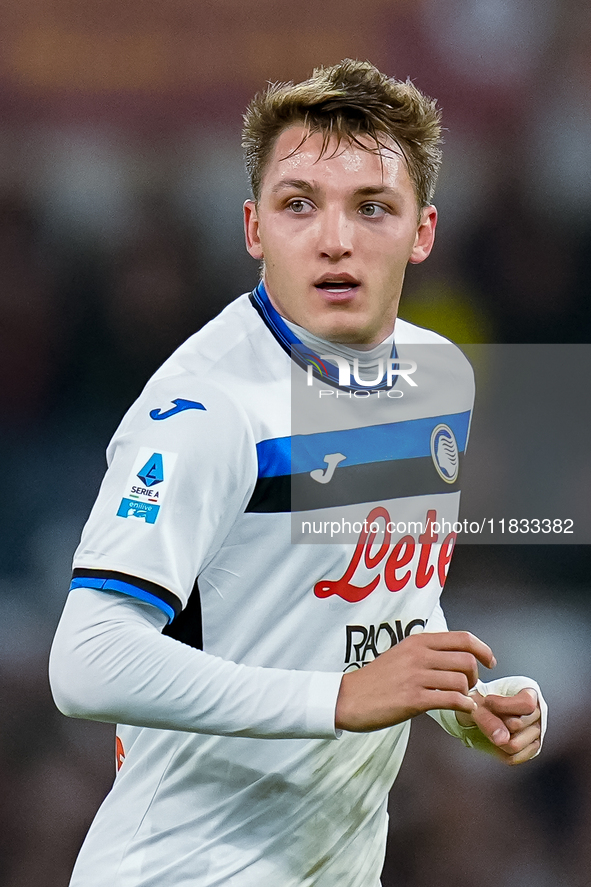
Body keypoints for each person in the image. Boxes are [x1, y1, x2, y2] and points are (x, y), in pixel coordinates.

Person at [49, 60, 546, 887]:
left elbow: (375, 606)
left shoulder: (436, 377)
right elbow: (86, 658)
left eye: (372, 207)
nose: (334, 238)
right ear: (253, 227)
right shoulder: (209, 405)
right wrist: (339, 697)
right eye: (298, 204)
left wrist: (455, 697)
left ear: (423, 231)